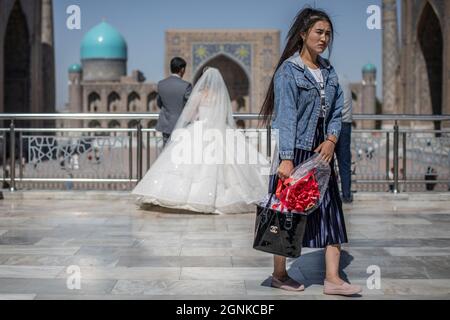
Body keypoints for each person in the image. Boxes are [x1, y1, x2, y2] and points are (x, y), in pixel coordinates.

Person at [259, 7, 362, 296]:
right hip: (296, 150)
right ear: (303, 34)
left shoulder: (328, 71)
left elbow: (337, 112)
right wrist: (287, 158)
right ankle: (279, 274)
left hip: (321, 152)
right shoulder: (288, 72)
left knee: (331, 211)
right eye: (319, 32)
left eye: (328, 33)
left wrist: (331, 140)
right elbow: (285, 117)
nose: (324, 38)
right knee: (286, 212)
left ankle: (332, 278)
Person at [132, 67, 269, 214]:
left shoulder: (199, 95)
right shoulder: (221, 96)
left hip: (200, 129)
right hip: (219, 130)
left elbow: (189, 115)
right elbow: (225, 115)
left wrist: (196, 119)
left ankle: (184, 196)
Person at [155, 57, 193, 147]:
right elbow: (190, 105)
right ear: (182, 69)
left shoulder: (161, 84)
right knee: (180, 154)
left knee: (166, 153)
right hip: (181, 125)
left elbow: (159, 103)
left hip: (166, 125)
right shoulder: (186, 86)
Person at [335, 73, 353, 203]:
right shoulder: (345, 79)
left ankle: (327, 194)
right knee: (344, 162)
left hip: (333, 124)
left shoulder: (330, 78)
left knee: (325, 160)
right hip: (346, 124)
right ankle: (346, 194)